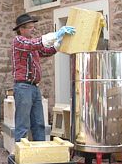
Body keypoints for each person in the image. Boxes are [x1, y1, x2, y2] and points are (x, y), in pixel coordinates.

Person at [11, 13, 75, 142]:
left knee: (39, 123)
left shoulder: (30, 44)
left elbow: (45, 51)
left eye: (32, 27)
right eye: (29, 27)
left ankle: (40, 152)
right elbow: (34, 44)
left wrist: (58, 43)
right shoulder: (18, 41)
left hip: (34, 87)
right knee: (23, 124)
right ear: (21, 29)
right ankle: (20, 154)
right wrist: (56, 34)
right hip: (23, 87)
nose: (32, 29)